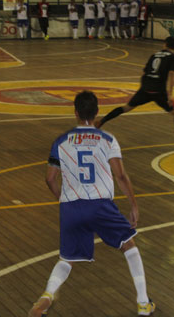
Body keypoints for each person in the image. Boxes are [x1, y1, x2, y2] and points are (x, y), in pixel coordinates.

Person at [28, 90, 156, 317]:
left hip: (71, 206)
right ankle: (143, 303)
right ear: (97, 112)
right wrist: (134, 205)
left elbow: (49, 178)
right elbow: (121, 176)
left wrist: (64, 201)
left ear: (75, 112)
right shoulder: (107, 139)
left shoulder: (61, 141)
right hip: (100, 205)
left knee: (66, 259)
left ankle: (47, 295)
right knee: (129, 245)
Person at [94, 37, 174, 152]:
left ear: (165, 44)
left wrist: (144, 87)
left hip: (145, 89)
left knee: (126, 107)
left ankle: (102, 121)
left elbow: (144, 72)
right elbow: (172, 74)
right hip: (159, 91)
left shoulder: (154, 55)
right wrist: (170, 94)